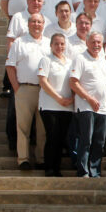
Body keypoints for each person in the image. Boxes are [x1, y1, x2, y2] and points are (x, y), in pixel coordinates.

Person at [6, 13, 49, 169]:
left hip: (45, 91)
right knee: (23, 127)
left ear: (43, 24)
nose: (36, 24)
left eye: (39, 22)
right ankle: (23, 159)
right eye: (33, 21)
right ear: (28, 24)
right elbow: (10, 66)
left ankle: (41, 159)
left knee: (42, 128)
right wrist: (17, 89)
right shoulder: (19, 42)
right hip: (25, 89)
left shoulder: (48, 43)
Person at [69, 31, 106, 178]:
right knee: (86, 140)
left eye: (99, 42)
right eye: (93, 42)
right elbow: (73, 82)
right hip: (86, 106)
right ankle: (83, 171)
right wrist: (90, 99)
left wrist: (104, 101)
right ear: (87, 42)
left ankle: (95, 171)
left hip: (102, 108)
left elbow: (105, 84)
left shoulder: (103, 60)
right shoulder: (80, 58)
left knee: (99, 142)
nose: (96, 45)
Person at [37, 33, 74, 177]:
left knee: (61, 138)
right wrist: (58, 98)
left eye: (62, 44)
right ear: (51, 45)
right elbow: (43, 81)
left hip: (66, 107)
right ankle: (49, 168)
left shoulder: (70, 62)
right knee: (52, 136)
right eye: (56, 44)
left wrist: (71, 99)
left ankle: (57, 168)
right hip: (50, 105)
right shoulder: (46, 60)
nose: (59, 46)